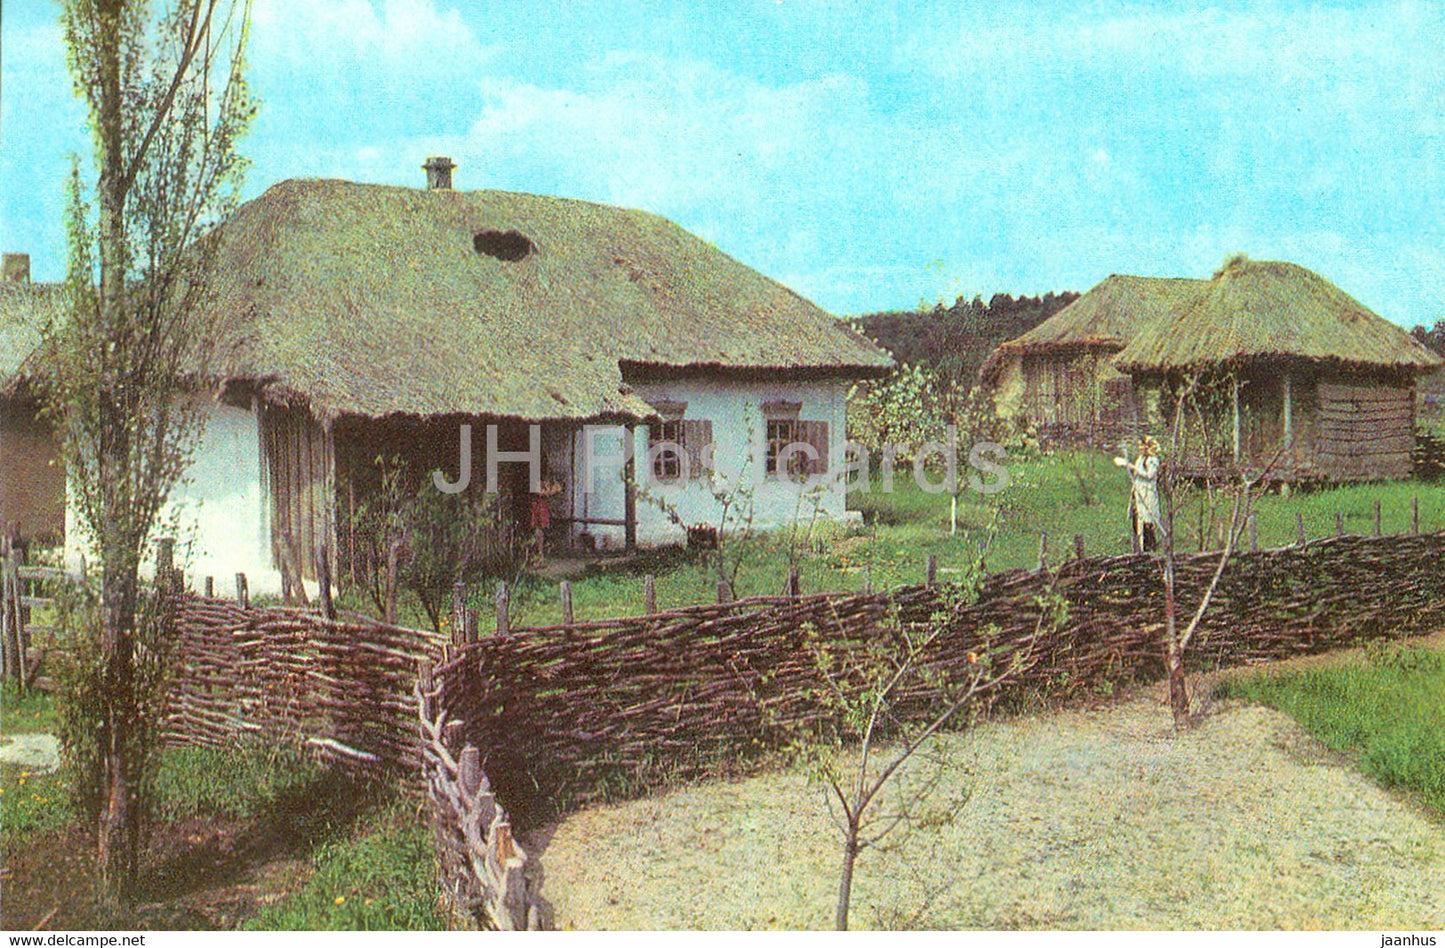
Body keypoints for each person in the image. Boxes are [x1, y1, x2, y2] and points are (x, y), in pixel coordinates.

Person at [1114, 436, 1162, 552]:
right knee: (1137, 522)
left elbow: (1149, 475)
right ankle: (1139, 549)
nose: (1140, 448)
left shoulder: (1153, 460)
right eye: (1139, 445)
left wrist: (1130, 466)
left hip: (1147, 495)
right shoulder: (1140, 459)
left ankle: (1150, 549)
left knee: (1148, 522)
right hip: (1138, 494)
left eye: (1142, 445)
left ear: (1148, 446)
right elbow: (1137, 473)